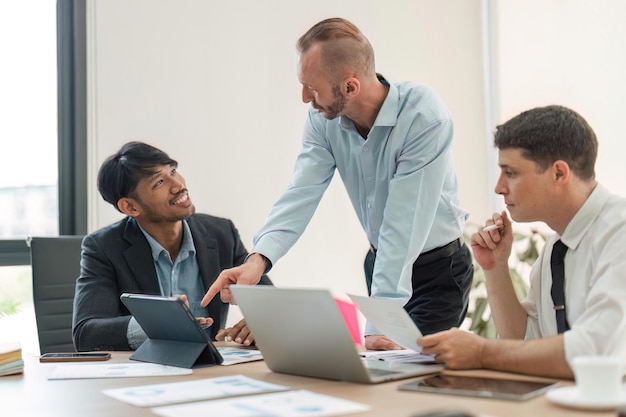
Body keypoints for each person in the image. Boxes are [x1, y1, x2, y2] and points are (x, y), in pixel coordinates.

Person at [201, 17, 473, 350]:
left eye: (312, 88)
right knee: (384, 369)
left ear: (350, 87)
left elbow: (404, 223)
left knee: (413, 375)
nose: (304, 98)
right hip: (380, 263)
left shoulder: (423, 117)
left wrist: (380, 320)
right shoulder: (322, 119)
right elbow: (300, 192)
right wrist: (257, 260)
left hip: (438, 270)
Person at [419, 105, 626, 378]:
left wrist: (482, 352)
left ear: (559, 174)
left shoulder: (619, 232)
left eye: (511, 173)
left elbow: (597, 351)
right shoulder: (556, 247)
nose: (499, 187)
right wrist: (495, 268)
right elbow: (526, 343)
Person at [72, 141, 272, 351]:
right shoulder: (103, 247)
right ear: (130, 206)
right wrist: (157, 322)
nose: (178, 185)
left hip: (210, 369)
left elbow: (273, 304)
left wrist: (260, 323)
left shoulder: (221, 233)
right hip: (146, 371)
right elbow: (86, 333)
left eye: (173, 171)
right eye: (159, 182)